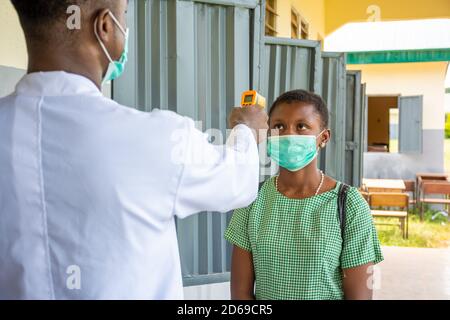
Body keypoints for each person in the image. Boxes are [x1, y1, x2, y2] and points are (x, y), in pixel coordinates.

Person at [0, 0, 268, 299]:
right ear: (104, 26)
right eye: (124, 17)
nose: (125, 28)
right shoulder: (159, 137)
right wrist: (246, 128)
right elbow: (237, 182)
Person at [225, 90, 383, 300]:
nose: (289, 134)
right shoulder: (252, 199)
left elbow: (359, 297)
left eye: (301, 126)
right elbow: (241, 296)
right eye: (279, 126)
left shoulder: (349, 204)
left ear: (323, 137)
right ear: (268, 134)